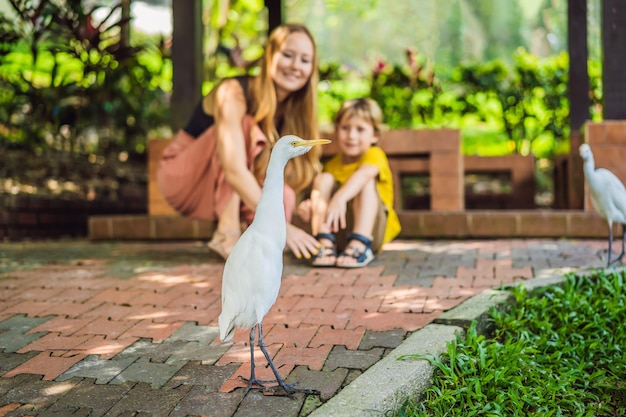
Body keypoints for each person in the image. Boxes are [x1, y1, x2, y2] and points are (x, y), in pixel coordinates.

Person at [157, 23, 322, 261]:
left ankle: (246, 241)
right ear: (269, 56)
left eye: (305, 60)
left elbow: (304, 171)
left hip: (221, 184)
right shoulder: (233, 92)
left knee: (283, 197)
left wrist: (316, 202)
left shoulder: (296, 112)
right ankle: (227, 232)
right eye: (288, 55)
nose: (296, 66)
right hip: (183, 176)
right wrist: (287, 228)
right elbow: (233, 169)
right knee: (244, 126)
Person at [306, 98, 401, 268]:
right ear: (336, 130)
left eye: (360, 129)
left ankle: (359, 244)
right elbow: (322, 196)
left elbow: (364, 174)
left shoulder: (374, 154)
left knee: (364, 182)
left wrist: (340, 198)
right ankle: (324, 243)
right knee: (323, 178)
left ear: (374, 136)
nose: (351, 136)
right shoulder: (332, 165)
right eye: (345, 128)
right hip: (339, 233)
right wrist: (310, 205)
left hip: (371, 233)